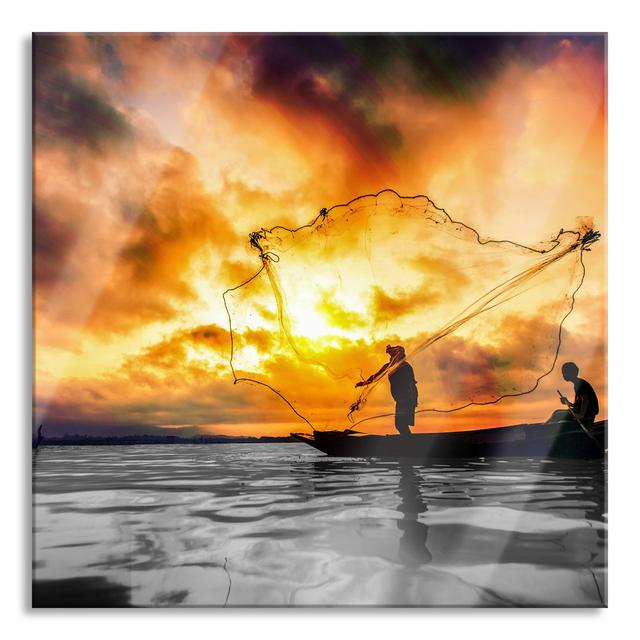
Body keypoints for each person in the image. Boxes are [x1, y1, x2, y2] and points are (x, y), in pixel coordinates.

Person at [355, 345, 418, 435]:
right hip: (400, 400)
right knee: (401, 425)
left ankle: (409, 443)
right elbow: (376, 376)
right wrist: (364, 383)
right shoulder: (389, 366)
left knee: (400, 424)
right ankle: (408, 441)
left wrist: (414, 399)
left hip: (407, 399)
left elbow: (412, 384)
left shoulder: (405, 367)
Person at [548, 361, 599, 426]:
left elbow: (585, 400)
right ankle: (546, 426)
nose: (563, 375)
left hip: (588, 415)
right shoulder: (577, 384)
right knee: (557, 412)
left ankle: (545, 428)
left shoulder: (580, 384)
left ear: (570, 373)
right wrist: (567, 402)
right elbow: (578, 405)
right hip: (584, 413)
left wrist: (581, 415)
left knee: (558, 415)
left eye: (564, 373)